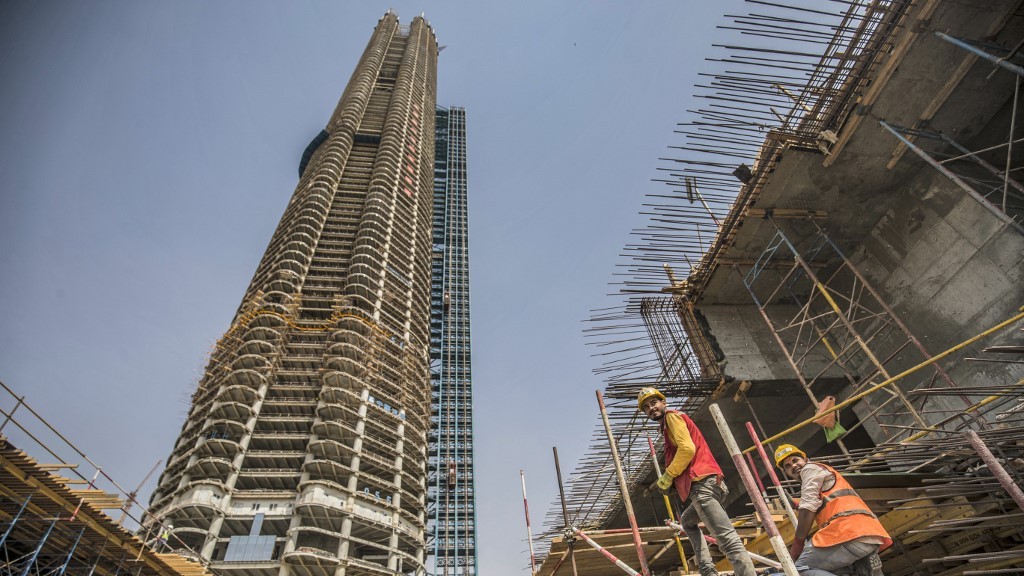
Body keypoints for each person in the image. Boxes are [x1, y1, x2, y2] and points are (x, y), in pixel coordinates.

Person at [639, 387, 756, 576]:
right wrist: (675, 481)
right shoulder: (668, 425)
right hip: (710, 483)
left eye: (654, 403)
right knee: (687, 522)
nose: (651, 408)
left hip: (701, 485)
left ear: (663, 403)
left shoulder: (671, 417)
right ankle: (707, 569)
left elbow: (687, 449)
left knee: (728, 540)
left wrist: (669, 475)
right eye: (646, 407)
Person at [775, 444, 890, 576]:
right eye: (787, 466)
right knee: (822, 570)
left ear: (805, 460)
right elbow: (826, 502)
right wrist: (796, 504)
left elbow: (808, 508)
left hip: (846, 532)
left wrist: (797, 546)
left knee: (799, 569)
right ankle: (860, 565)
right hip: (867, 533)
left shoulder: (809, 469)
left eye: (795, 460)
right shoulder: (821, 472)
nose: (793, 466)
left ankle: (855, 566)